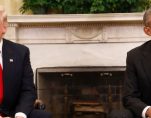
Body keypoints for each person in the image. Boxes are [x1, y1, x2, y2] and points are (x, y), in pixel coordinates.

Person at [0, 6, 51, 118]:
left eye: (4, 22)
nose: (4, 28)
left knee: (43, 116)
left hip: (13, 112)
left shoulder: (20, 52)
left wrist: (21, 114)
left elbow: (28, 90)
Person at [109, 7, 151, 118]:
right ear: (148, 31)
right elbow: (129, 97)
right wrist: (148, 111)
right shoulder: (134, 56)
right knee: (117, 115)